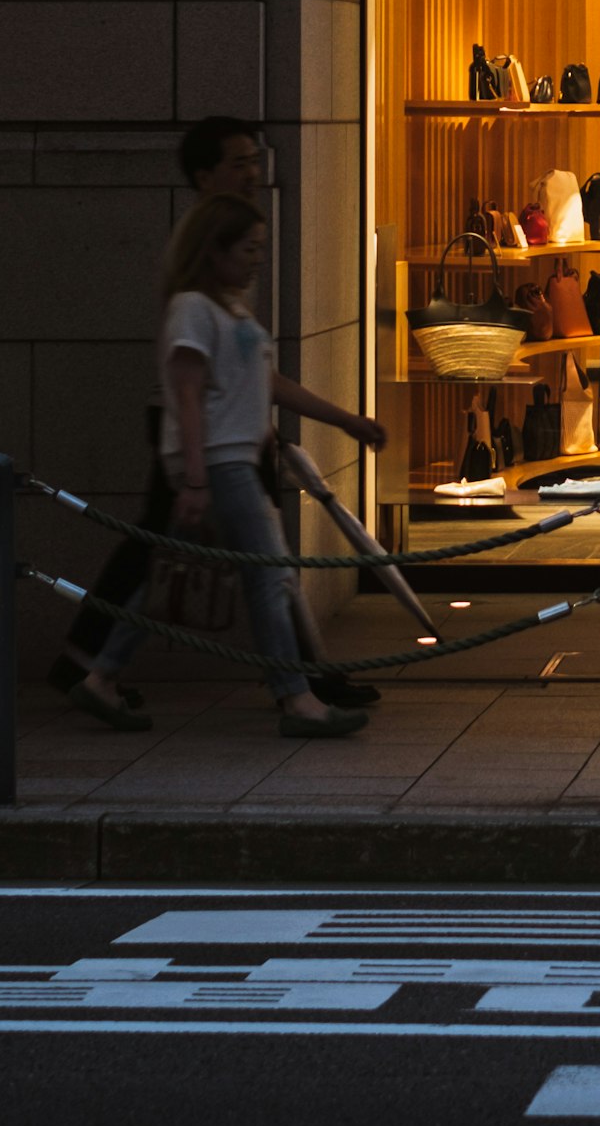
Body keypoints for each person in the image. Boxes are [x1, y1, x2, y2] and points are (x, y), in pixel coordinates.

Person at [63, 193, 386, 738]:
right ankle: (297, 698)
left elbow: (268, 384)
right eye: (248, 248)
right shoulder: (193, 307)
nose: (257, 258)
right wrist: (193, 476)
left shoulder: (228, 308)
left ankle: (102, 676)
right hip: (220, 459)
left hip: (225, 458)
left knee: (171, 571)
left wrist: (346, 421)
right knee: (266, 576)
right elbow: (186, 394)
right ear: (214, 251)